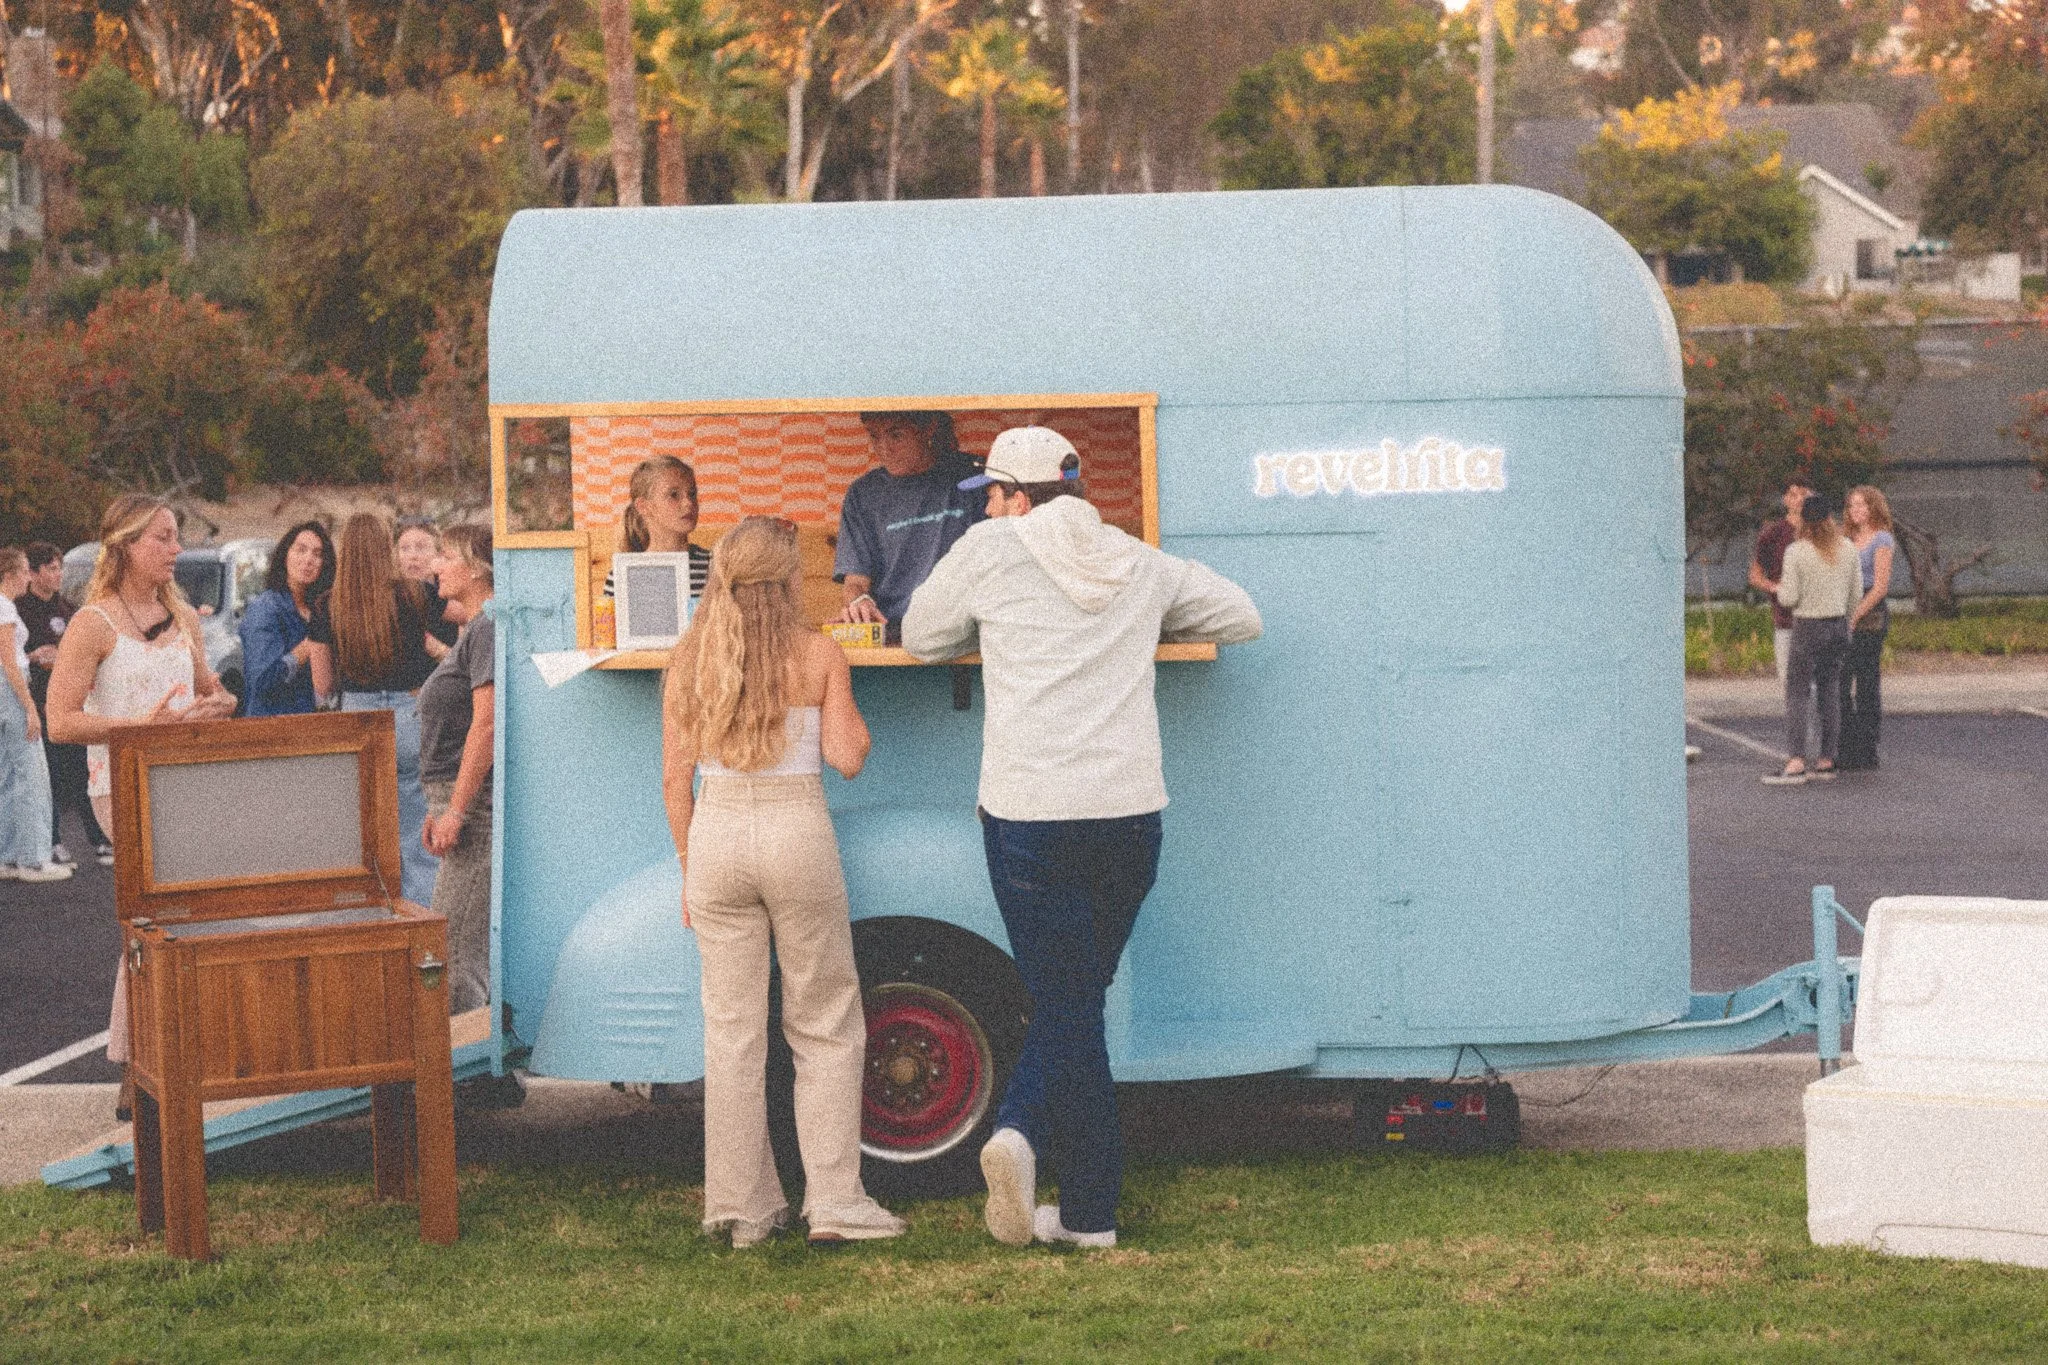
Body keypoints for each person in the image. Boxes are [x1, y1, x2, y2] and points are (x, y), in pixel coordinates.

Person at [902, 426, 1263, 1250]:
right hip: (1129, 817)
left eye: (992, 493)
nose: (987, 507)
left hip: (1030, 817)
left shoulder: (990, 551)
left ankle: (1063, 1178)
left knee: (1067, 1005)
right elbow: (1242, 616)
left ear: (1019, 497)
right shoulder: (1135, 559)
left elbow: (921, 634)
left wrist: (987, 629)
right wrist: (1143, 628)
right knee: (1076, 1002)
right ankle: (1053, 1171)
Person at [661, 516, 906, 1249]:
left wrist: (688, 871)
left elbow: (676, 780)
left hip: (717, 837)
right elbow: (848, 757)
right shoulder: (818, 652)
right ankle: (833, 1199)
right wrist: (848, 700)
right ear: (790, 579)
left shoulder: (689, 659)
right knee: (824, 1019)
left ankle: (741, 1210)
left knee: (733, 1032)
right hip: (797, 831)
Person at [47, 494, 237, 1111]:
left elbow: (213, 690)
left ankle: (159, 1061)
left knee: (179, 922)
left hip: (189, 783)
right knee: (153, 920)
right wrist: (135, 730)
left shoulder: (182, 617)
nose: (177, 549)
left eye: (177, 537)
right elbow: (60, 721)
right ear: (126, 545)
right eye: (164, 537)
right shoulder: (92, 623)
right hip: (122, 786)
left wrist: (221, 705)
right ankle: (140, 1068)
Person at [307, 514, 440, 906]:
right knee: (417, 836)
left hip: (357, 720)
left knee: (364, 838)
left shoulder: (326, 605)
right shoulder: (415, 594)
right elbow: (472, 613)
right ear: (387, 549)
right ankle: (422, 929)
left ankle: (373, 925)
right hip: (408, 714)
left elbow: (322, 685)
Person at [419, 525, 496, 1015]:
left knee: (452, 948)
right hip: (450, 797)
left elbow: (485, 726)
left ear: (475, 567)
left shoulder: (487, 626)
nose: (434, 566)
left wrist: (457, 810)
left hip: (472, 806)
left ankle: (467, 1076)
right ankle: (479, 1074)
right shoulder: (473, 629)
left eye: (444, 556)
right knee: (456, 940)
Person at [831, 411, 983, 641]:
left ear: (928, 429)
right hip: (893, 633)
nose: (884, 449)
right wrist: (859, 602)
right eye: (874, 436)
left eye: (896, 435)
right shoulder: (863, 494)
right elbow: (855, 582)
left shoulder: (973, 478)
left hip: (965, 631)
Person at [14, 542, 109, 865]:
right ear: (34, 573)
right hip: (36, 704)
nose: (58, 575)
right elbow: (10, 659)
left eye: (60, 568)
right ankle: (51, 841)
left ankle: (99, 838)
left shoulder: (68, 610)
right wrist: (34, 656)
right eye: (52, 568)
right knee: (48, 778)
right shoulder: (20, 610)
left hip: (72, 704)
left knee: (82, 771)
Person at [1765, 492, 1861, 786]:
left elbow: (1789, 597)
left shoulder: (1797, 551)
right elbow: (1856, 593)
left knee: (1797, 691)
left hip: (1808, 625)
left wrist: (1779, 590)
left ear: (1804, 521)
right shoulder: (1847, 548)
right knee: (1830, 689)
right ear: (1831, 518)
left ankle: (1796, 759)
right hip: (1837, 624)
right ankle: (1827, 758)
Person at [0, 548, 72, 882]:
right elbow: (8, 662)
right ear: (11, 574)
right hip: (12, 692)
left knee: (8, 775)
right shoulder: (5, 607)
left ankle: (10, 856)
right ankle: (33, 858)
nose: (29, 577)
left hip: (7, 689)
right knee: (31, 774)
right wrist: (30, 706)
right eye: (26, 571)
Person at [239, 521, 335, 718]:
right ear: (285, 555)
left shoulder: (322, 610)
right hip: (272, 729)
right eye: (301, 550)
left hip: (313, 726)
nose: (308, 559)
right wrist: (312, 644)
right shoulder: (265, 609)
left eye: (317, 554)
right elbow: (262, 680)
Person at [1839, 486, 1897, 772]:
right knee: (1840, 680)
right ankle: (1845, 744)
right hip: (1844, 606)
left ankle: (1866, 747)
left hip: (1870, 615)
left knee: (1866, 683)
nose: (1856, 510)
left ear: (1873, 507)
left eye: (1862, 505)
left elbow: (1880, 586)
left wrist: (1855, 614)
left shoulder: (1882, 539)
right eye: (1852, 506)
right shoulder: (1845, 538)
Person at [605, 456, 711, 599]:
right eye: (674, 495)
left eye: (692, 494)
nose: (688, 503)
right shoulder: (622, 575)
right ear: (644, 506)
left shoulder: (715, 565)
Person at [1750, 476, 1814, 684]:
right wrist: (1772, 586)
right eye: (1793, 495)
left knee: (1818, 684)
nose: (1799, 500)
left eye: (1804, 494)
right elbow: (1756, 574)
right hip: (1786, 617)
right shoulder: (1773, 534)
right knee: (1790, 682)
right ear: (1785, 500)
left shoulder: (1821, 532)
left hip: (1817, 618)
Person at [397, 518, 458, 653]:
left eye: (421, 547)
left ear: (439, 554)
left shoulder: (453, 593)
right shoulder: (394, 596)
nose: (413, 556)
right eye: (404, 548)